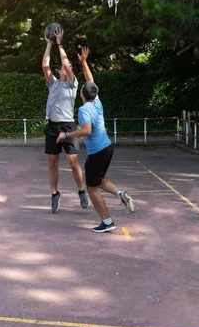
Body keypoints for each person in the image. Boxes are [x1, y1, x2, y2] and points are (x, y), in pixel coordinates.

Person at [57, 46, 135, 233]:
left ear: (82, 95)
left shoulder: (84, 110)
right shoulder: (96, 101)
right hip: (107, 147)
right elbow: (91, 81)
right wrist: (84, 62)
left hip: (97, 152)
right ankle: (120, 193)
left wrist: (66, 134)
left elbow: (86, 131)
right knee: (98, 180)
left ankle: (107, 222)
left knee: (92, 188)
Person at [41, 27, 88, 213]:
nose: (62, 67)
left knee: (72, 162)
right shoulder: (52, 84)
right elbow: (45, 65)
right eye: (60, 67)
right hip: (52, 126)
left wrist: (60, 44)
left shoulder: (71, 84)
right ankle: (54, 194)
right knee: (52, 163)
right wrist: (49, 43)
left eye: (64, 68)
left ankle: (81, 190)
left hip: (67, 124)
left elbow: (67, 65)